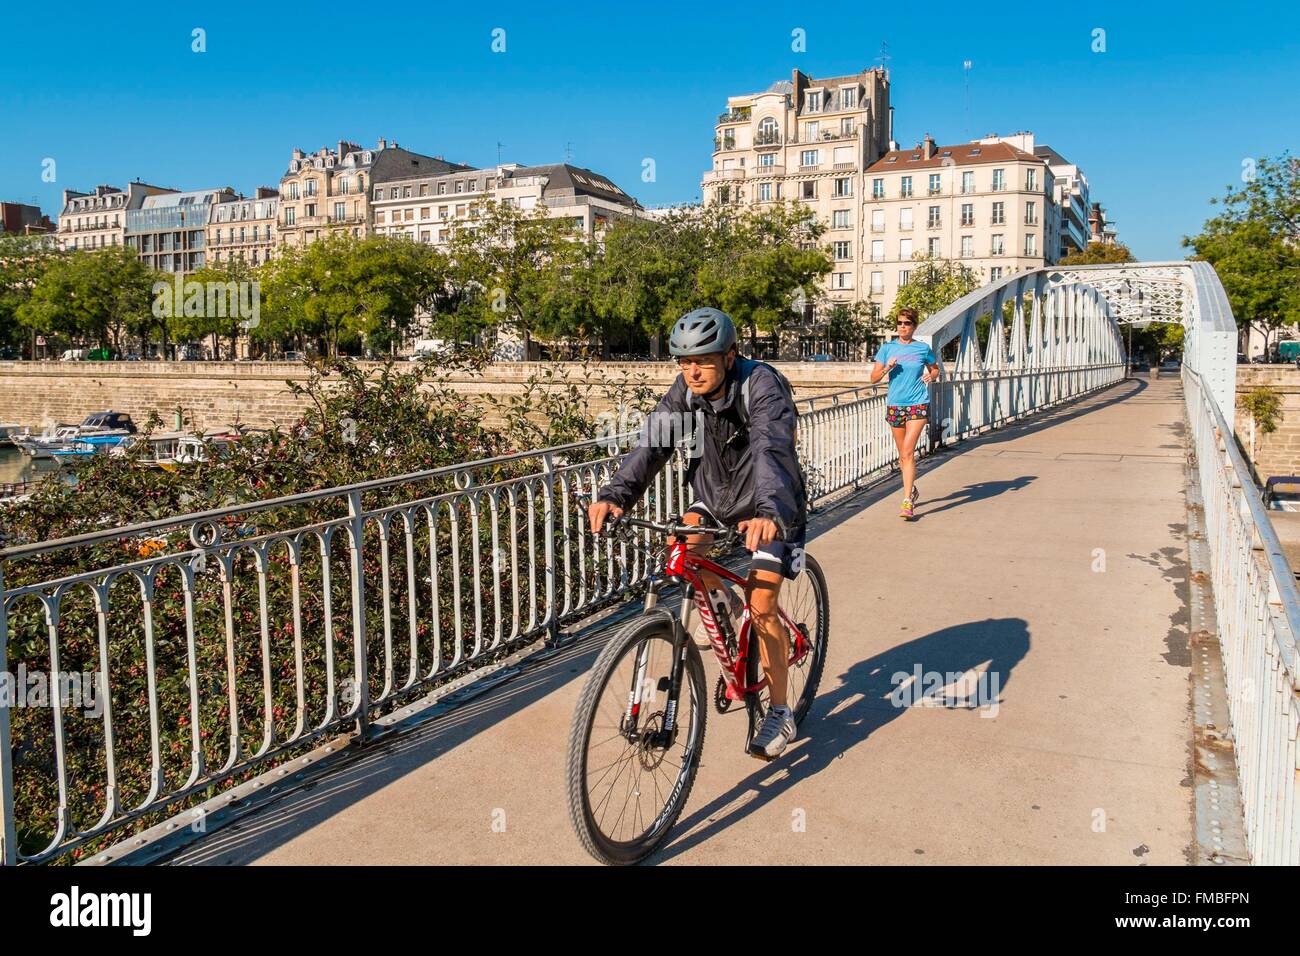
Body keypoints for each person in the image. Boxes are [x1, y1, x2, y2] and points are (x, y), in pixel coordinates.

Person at [587, 307, 807, 759]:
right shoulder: (686, 391)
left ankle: (781, 711)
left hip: (772, 503)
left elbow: (772, 447)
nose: (692, 371)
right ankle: (723, 601)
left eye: (702, 361)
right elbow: (654, 441)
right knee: (679, 554)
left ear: (730, 356)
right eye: (684, 362)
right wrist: (615, 495)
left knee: (763, 602)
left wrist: (768, 512)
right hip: (716, 497)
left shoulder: (760, 385)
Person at [870, 307, 940, 519]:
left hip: (918, 403)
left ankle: (907, 501)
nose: (903, 327)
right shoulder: (887, 348)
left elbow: (935, 368)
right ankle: (912, 488)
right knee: (903, 456)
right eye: (900, 323)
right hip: (895, 404)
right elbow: (873, 379)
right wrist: (886, 369)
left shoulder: (922, 348)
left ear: (914, 326)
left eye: (907, 323)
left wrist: (932, 376)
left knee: (908, 452)